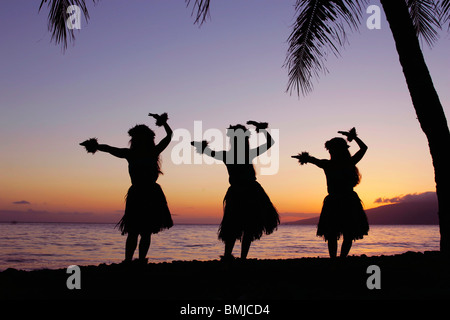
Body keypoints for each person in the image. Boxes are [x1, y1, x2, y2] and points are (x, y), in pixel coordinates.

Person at [80, 113, 173, 264]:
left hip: (147, 194)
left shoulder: (141, 153)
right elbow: (109, 148)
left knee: (142, 231)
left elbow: (169, 136)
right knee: (138, 230)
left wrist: (163, 122)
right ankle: (131, 260)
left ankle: (136, 260)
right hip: (142, 194)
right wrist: (95, 146)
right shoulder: (137, 153)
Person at [192, 121, 280, 260]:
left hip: (245, 193)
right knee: (239, 227)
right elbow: (270, 143)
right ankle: (235, 258)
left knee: (240, 227)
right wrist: (261, 128)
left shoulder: (234, 155)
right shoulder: (241, 154)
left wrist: (200, 146)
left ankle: (231, 257)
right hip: (246, 193)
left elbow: (270, 143)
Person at [292, 127, 369, 258]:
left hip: (336, 201)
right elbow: (364, 148)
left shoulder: (328, 164)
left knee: (335, 233)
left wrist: (304, 157)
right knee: (342, 233)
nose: (331, 152)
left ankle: (335, 259)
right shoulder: (348, 162)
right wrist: (353, 137)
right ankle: (340, 258)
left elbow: (312, 159)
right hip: (348, 200)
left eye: (331, 150)